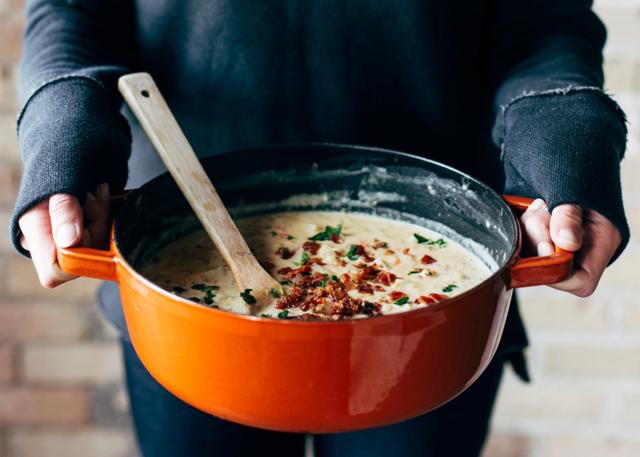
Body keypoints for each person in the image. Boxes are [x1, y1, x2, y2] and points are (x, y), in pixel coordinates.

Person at [10, 1, 628, 456]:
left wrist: (564, 141)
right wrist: (67, 136)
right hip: (178, 289)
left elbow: (543, 20)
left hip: (436, 306)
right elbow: (71, 12)